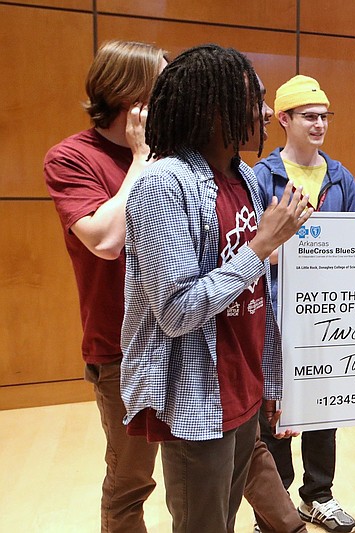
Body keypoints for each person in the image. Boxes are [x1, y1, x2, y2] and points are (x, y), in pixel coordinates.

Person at [120, 43, 313, 533]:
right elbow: (176, 310)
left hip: (244, 385)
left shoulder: (244, 177)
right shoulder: (164, 184)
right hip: (197, 395)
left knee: (224, 520)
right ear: (213, 108)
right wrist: (260, 246)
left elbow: (250, 291)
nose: (268, 112)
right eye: (256, 100)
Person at [43, 40, 166, 533]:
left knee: (229, 455)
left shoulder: (175, 155)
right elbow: (107, 239)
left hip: (182, 334)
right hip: (121, 350)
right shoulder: (71, 157)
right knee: (132, 478)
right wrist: (139, 160)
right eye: (163, 86)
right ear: (130, 96)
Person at [252, 74, 355, 533]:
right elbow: (252, 245)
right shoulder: (259, 176)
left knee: (321, 406)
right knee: (274, 410)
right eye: (309, 116)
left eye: (324, 117)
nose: (319, 125)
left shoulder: (341, 178)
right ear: (284, 119)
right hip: (273, 314)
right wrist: (293, 251)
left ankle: (319, 495)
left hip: (327, 315)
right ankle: (276, 508)